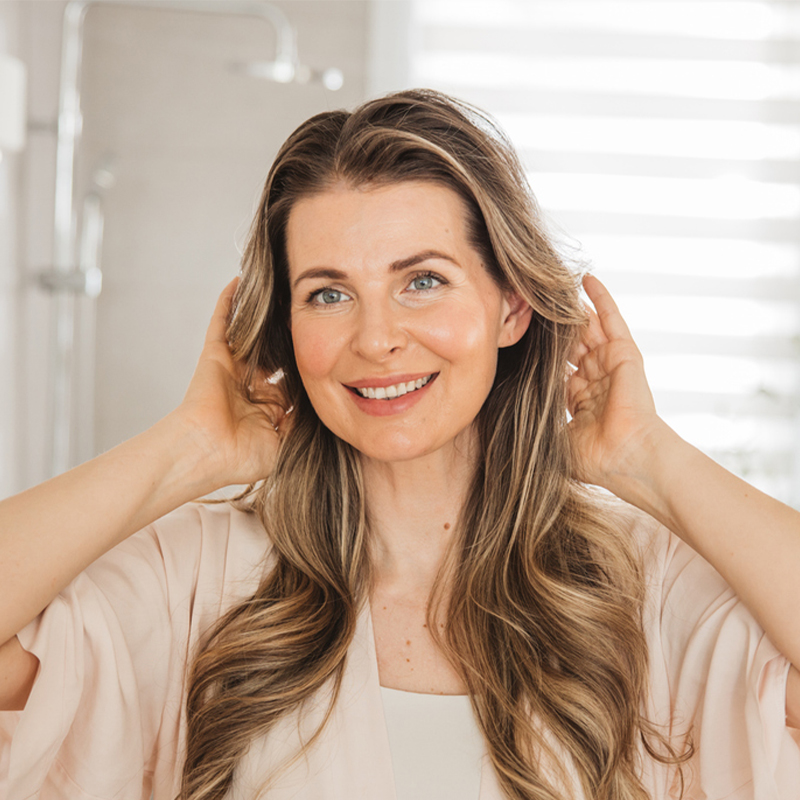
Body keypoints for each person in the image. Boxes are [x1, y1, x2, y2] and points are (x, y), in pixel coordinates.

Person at [0, 89, 798, 800]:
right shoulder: (200, 578)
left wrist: (646, 459)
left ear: (512, 308)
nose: (376, 338)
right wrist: (188, 449)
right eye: (329, 293)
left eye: (423, 280)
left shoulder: (641, 588)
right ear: (289, 329)